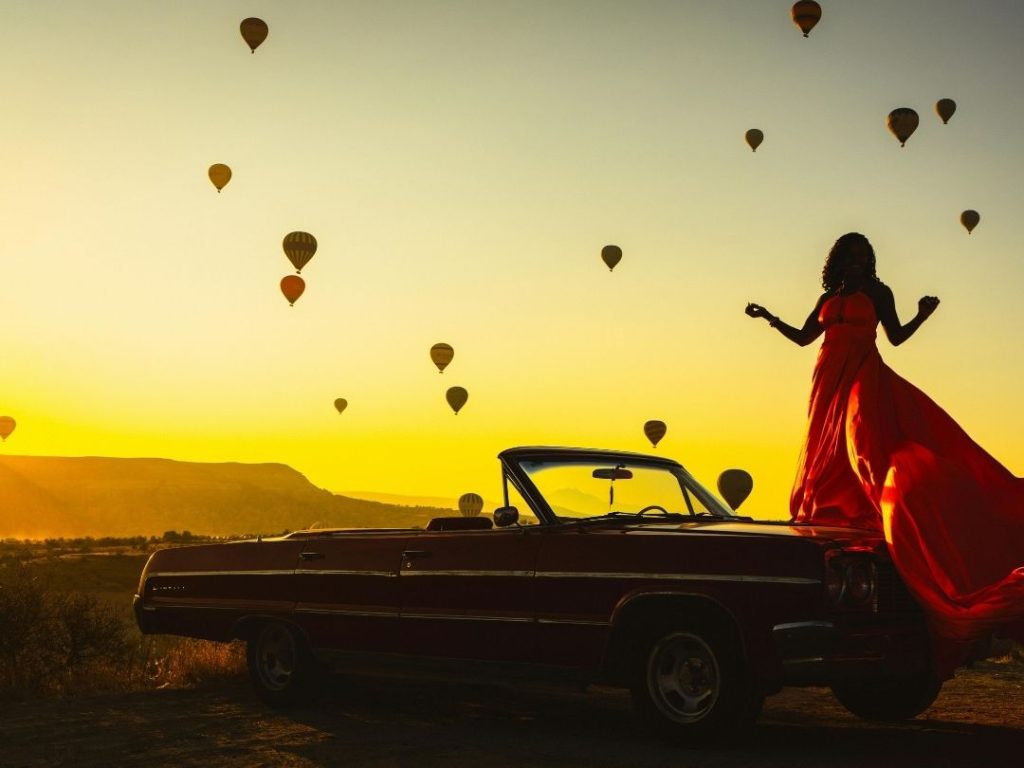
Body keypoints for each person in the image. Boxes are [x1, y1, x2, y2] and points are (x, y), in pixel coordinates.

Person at [746, 232, 1024, 663]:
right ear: (838, 260)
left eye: (864, 255)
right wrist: (768, 317)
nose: (859, 261)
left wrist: (922, 315)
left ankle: (881, 512)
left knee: (863, 440)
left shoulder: (878, 291)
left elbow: (895, 337)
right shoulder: (829, 295)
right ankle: (834, 511)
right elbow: (804, 338)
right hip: (825, 378)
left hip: (862, 373)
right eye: (851, 254)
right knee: (827, 446)